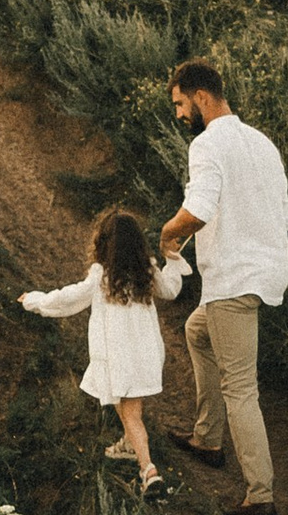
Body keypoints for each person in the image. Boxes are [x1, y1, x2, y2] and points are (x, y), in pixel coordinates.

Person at [158, 58, 288, 515]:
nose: (178, 116)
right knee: (197, 333)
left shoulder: (209, 144)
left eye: (179, 104)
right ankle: (208, 438)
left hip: (234, 280)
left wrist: (168, 235)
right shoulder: (262, 143)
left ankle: (260, 495)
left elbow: (198, 208)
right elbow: (284, 214)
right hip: (264, 272)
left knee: (240, 386)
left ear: (200, 96)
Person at [21, 207, 187, 499]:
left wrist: (35, 301)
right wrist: (171, 259)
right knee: (129, 407)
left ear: (103, 242)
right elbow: (171, 290)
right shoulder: (147, 269)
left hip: (117, 358)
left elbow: (68, 298)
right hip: (146, 353)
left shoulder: (101, 276)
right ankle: (127, 445)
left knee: (130, 413)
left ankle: (149, 471)